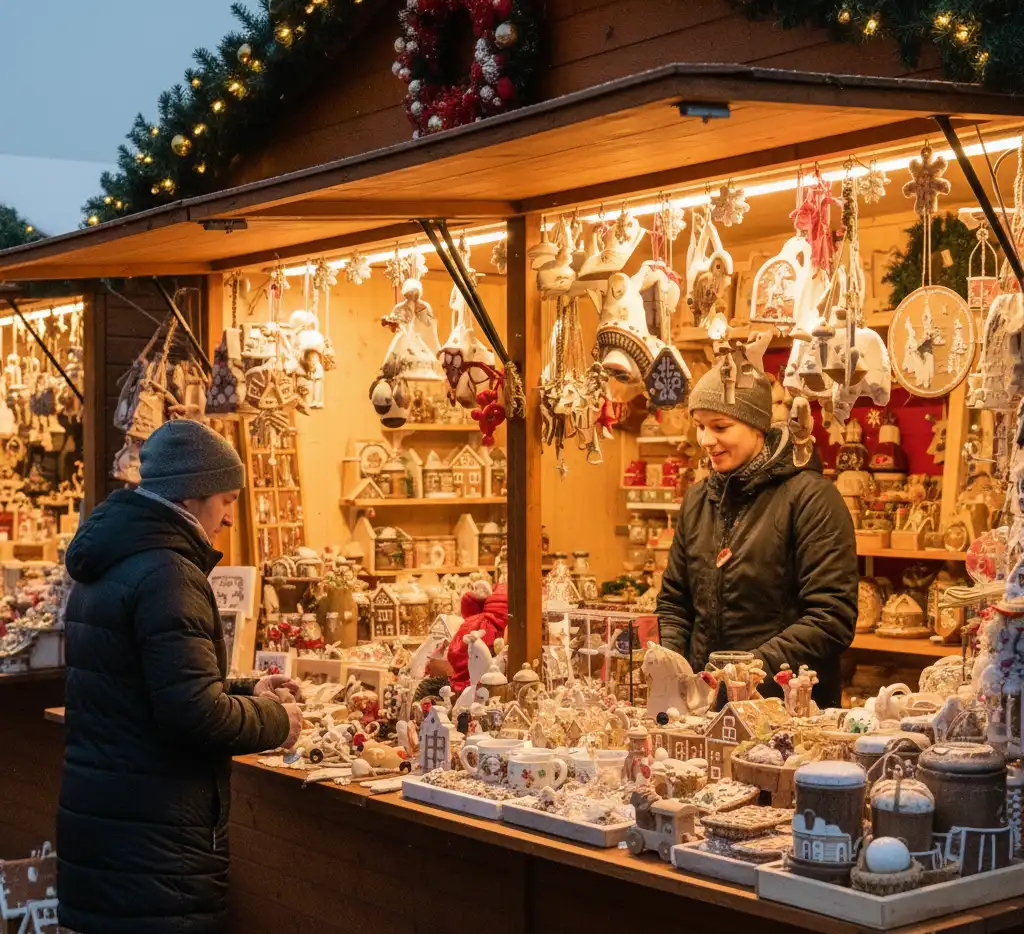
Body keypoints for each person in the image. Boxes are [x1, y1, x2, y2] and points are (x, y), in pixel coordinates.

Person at [58, 420, 304, 934]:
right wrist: (276, 720)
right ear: (193, 498)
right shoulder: (169, 572)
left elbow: (142, 685)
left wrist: (243, 689)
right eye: (227, 501)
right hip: (154, 852)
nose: (230, 518)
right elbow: (192, 714)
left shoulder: (112, 559)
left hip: (108, 830)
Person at [656, 357, 857, 708]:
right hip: (703, 705)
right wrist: (670, 673)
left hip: (786, 706)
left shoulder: (811, 498)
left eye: (720, 426)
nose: (706, 440)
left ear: (757, 427)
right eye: (700, 426)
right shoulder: (698, 500)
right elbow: (675, 603)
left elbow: (830, 618)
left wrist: (743, 676)